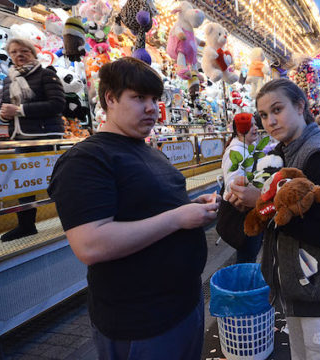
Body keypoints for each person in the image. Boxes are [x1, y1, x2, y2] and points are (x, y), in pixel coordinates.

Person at [47, 58, 219, 360]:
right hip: (141, 323)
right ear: (110, 98)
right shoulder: (87, 159)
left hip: (184, 305)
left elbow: (149, 210)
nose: (151, 107)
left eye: (155, 99)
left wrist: (190, 210)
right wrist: (178, 218)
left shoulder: (148, 150)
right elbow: (91, 244)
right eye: (139, 98)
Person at [231, 78, 320, 360]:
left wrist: (263, 203)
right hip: (304, 287)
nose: (270, 121)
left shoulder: (317, 156)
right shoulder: (286, 153)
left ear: (300, 106)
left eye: (277, 110)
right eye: (264, 115)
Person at [0, 38, 65, 242]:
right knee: (24, 183)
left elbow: (57, 104)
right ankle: (26, 225)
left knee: (57, 180)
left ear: (33, 53)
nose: (19, 55)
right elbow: (4, 107)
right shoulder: (9, 79)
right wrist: (3, 116)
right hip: (21, 136)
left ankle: (72, 217)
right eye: (14, 52)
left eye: (24, 51)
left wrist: (19, 110)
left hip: (46, 137)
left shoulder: (46, 74)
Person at [221, 112, 263, 263]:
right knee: (247, 256)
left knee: (249, 255)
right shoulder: (237, 151)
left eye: (256, 124)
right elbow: (235, 187)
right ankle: (245, 285)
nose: (255, 128)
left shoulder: (245, 148)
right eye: (250, 125)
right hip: (244, 215)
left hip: (250, 213)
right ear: (239, 130)